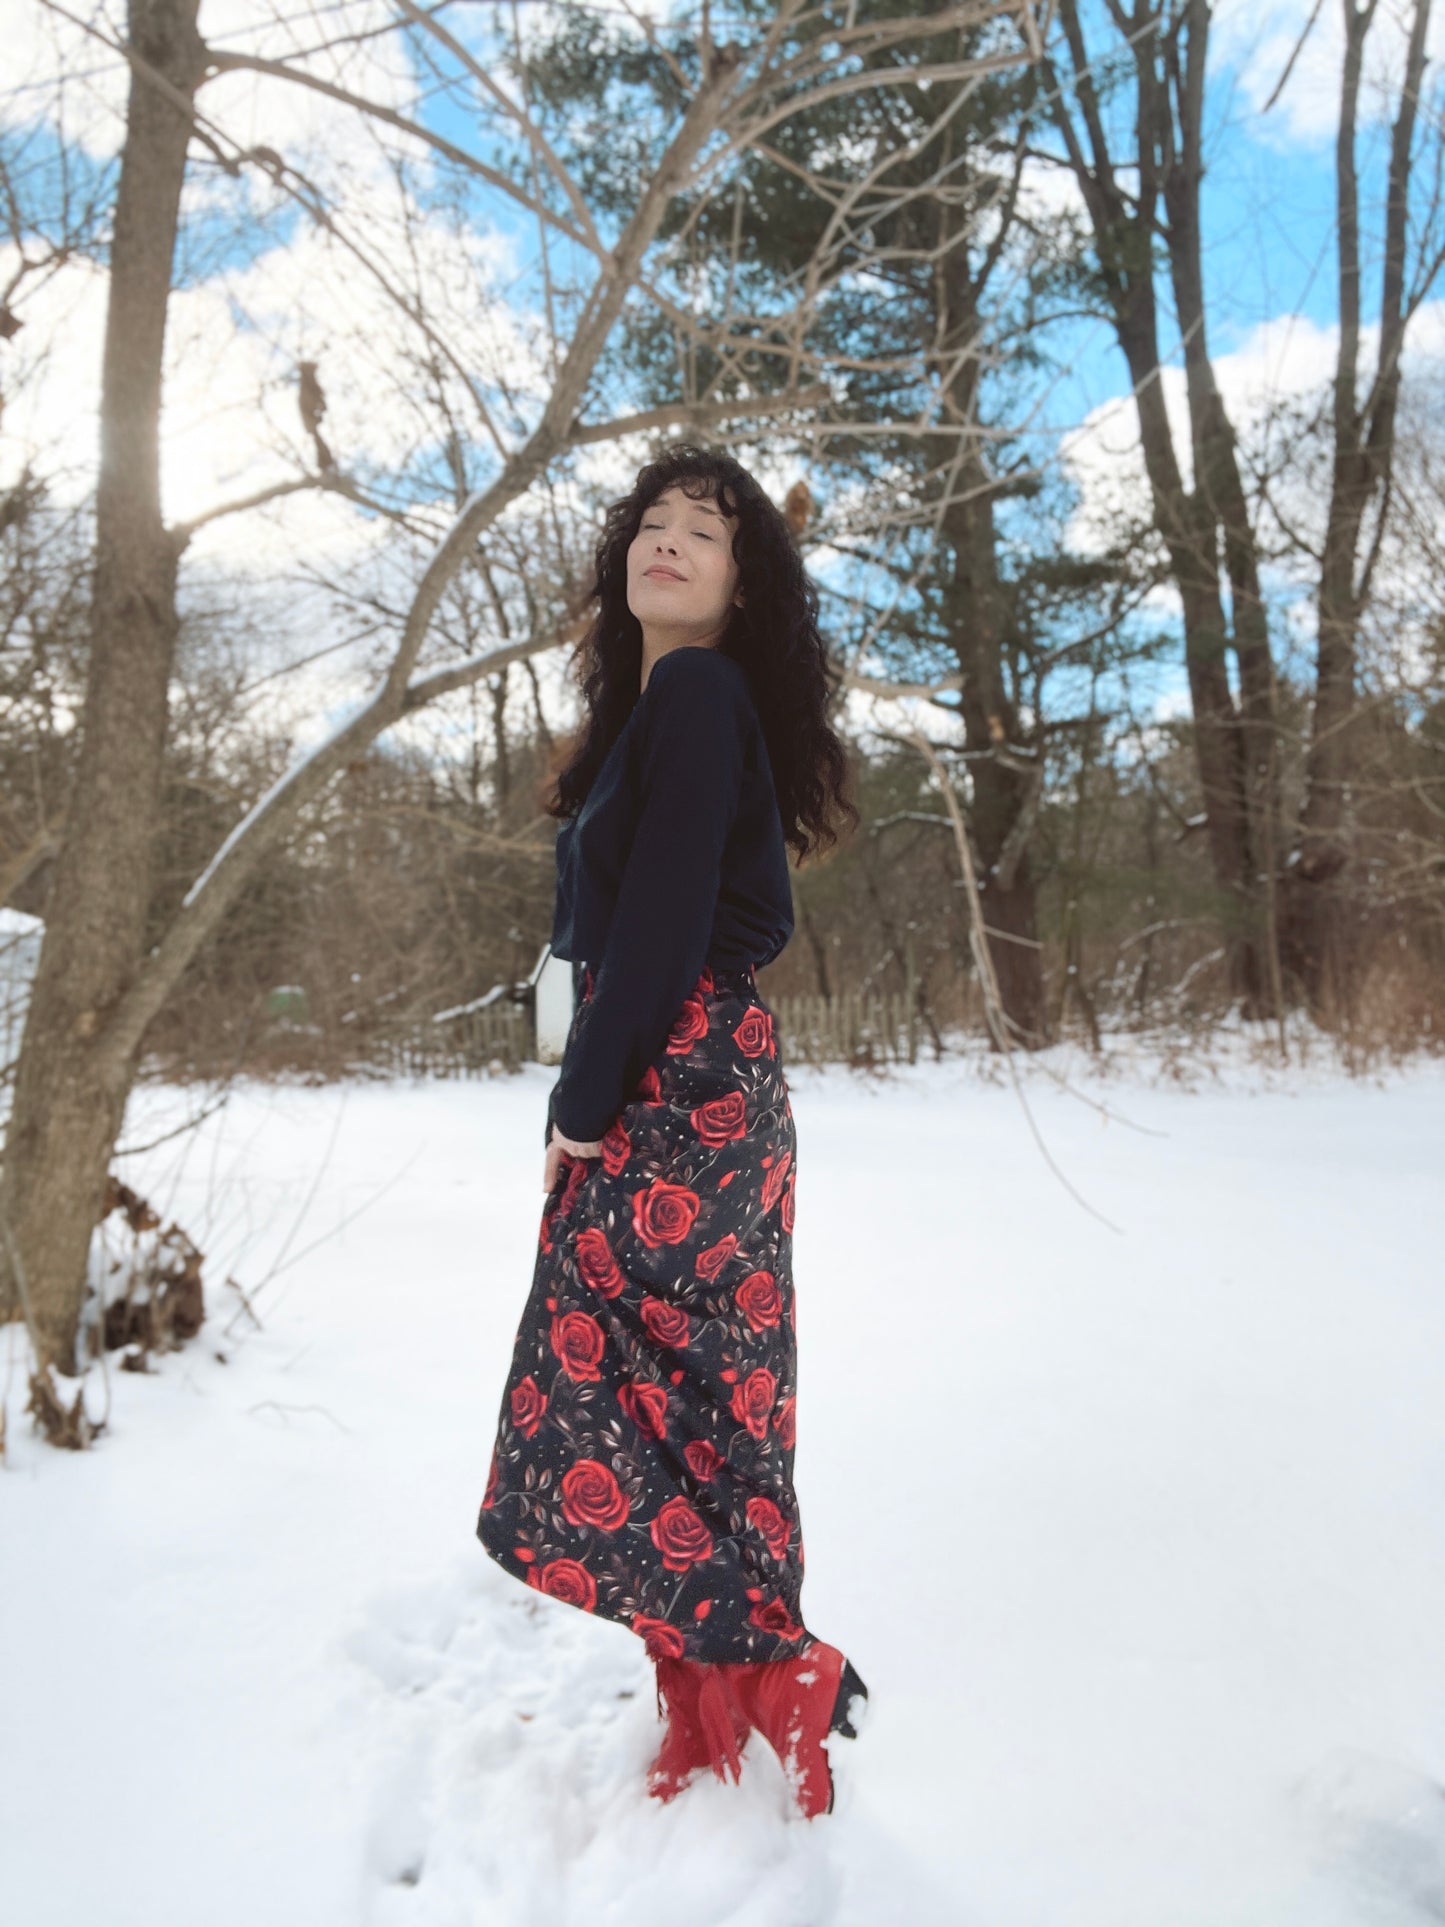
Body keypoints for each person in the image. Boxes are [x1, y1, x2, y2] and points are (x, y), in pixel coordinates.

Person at [476, 443, 867, 1818]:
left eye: (704, 530)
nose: (668, 540)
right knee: (678, 1395)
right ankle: (717, 1703)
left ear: (740, 584)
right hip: (694, 1069)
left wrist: (581, 1103)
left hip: (676, 1071)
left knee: (638, 1383)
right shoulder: (656, 714)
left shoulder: (698, 692)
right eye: (651, 521)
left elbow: (656, 925)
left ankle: (763, 1679)